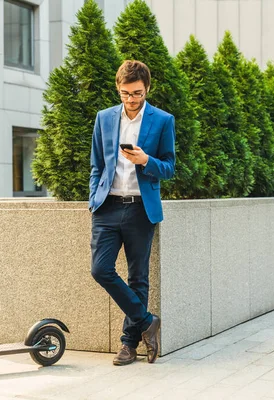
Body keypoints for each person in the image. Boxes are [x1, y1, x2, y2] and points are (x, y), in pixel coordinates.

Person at [89, 60, 176, 366]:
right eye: (125, 93)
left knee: (138, 277)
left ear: (147, 89)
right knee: (100, 270)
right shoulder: (104, 118)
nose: (131, 99)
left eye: (137, 93)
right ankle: (147, 320)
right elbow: (97, 164)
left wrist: (146, 160)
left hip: (141, 208)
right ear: (118, 89)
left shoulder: (163, 120)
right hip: (107, 207)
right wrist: (93, 198)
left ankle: (129, 344)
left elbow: (169, 167)